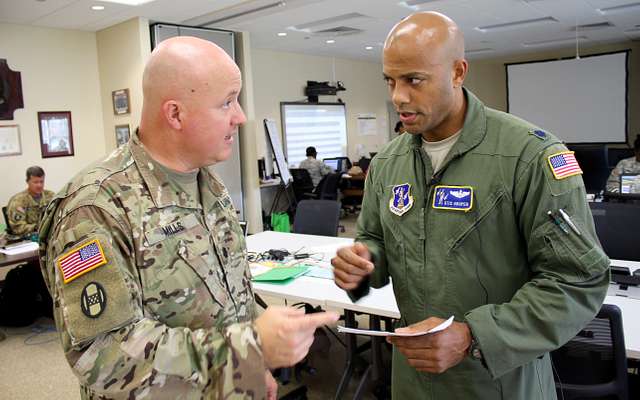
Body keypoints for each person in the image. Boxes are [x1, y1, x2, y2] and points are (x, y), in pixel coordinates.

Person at [39, 36, 338, 399]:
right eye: (227, 102)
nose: (241, 117)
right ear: (175, 114)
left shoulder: (208, 185)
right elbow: (102, 355)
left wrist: (249, 371)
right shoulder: (96, 207)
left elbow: (228, 297)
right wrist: (246, 348)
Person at [332, 12, 609, 400]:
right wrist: (360, 266)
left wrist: (472, 335)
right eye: (390, 81)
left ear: (458, 72)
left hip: (500, 381)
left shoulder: (530, 157)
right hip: (414, 381)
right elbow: (374, 241)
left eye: (413, 80)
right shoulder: (387, 164)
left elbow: (577, 281)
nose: (397, 96)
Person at [6, 166, 54, 236]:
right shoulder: (18, 201)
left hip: (48, 236)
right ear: (28, 182)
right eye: (35, 182)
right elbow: (17, 228)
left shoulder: (50, 196)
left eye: (41, 181)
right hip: (27, 239)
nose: (39, 185)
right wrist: (39, 227)